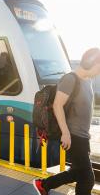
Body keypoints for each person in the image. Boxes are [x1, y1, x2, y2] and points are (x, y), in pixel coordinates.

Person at [33, 48, 100, 195]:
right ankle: (43, 184)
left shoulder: (87, 81)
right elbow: (57, 105)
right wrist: (65, 133)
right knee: (87, 178)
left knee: (78, 173)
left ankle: (43, 185)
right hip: (73, 135)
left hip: (83, 136)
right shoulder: (70, 79)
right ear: (91, 63)